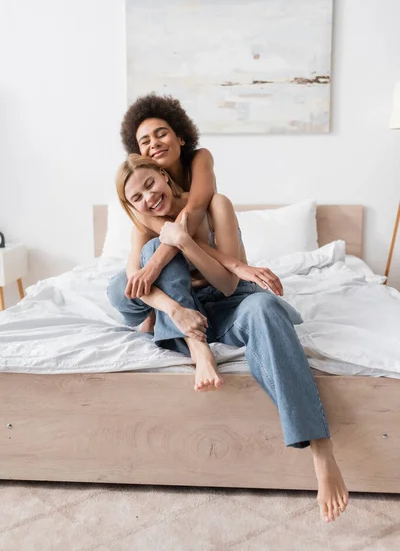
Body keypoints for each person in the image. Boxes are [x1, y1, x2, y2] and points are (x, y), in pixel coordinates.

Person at [107, 154, 349, 524]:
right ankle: (196, 347)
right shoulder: (143, 225)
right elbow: (132, 282)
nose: (148, 198)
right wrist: (173, 307)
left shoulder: (211, 205)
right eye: (136, 197)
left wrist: (184, 242)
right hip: (182, 312)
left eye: (150, 184)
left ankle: (321, 450)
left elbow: (228, 283)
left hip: (224, 303)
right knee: (130, 273)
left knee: (266, 309)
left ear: (164, 176)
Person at [118, 94, 283, 336]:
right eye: (145, 141)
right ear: (139, 154)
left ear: (181, 137)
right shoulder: (146, 203)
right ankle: (157, 316)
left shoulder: (200, 161)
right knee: (122, 281)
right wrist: (149, 271)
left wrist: (154, 266)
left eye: (161, 133)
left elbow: (193, 212)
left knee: (167, 244)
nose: (154, 142)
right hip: (185, 284)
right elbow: (168, 241)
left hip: (219, 282)